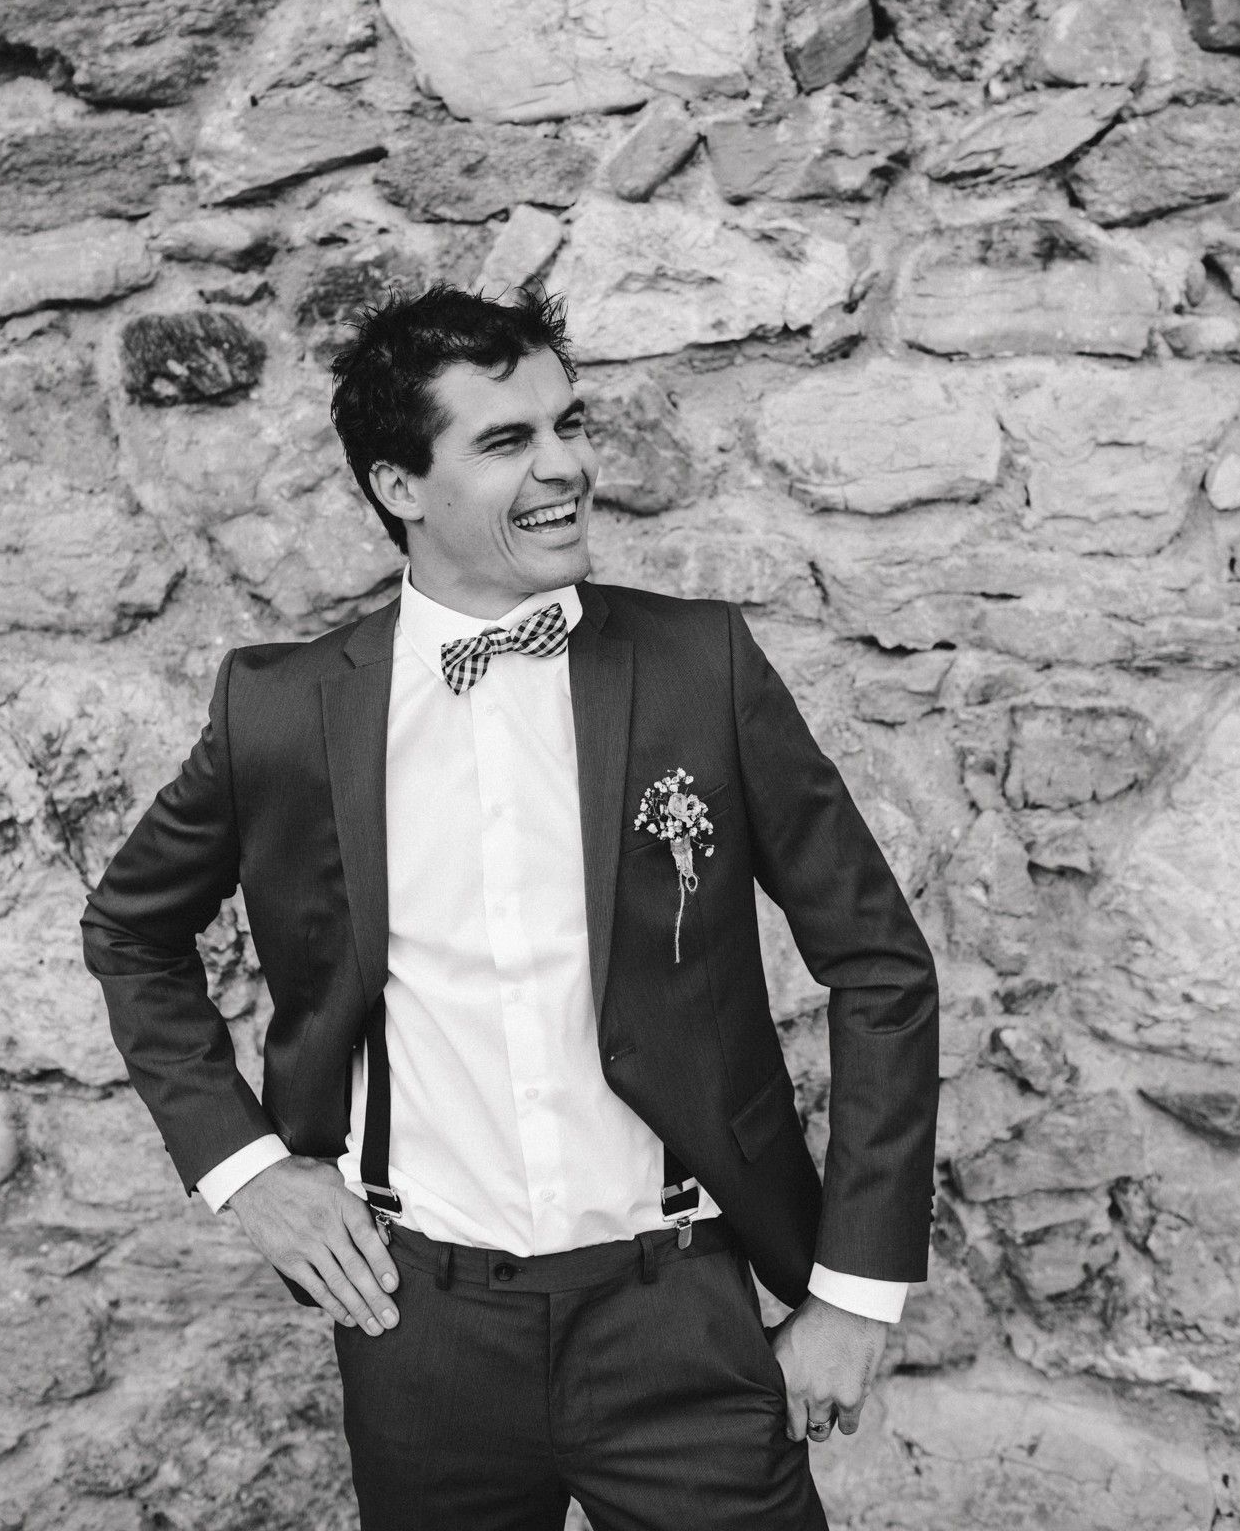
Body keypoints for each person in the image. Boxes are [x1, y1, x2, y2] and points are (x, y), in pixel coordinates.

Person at [82, 284, 939, 1531]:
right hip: (418, 1330)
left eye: (567, 424)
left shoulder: (699, 667)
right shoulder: (284, 710)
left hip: (678, 1313)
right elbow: (129, 932)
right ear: (400, 486)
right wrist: (247, 1167)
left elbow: (879, 964)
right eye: (506, 441)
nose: (565, 465)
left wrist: (855, 1294)